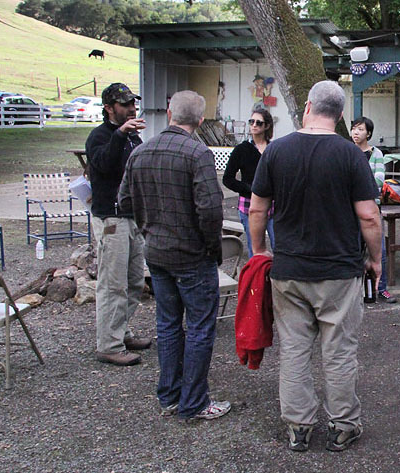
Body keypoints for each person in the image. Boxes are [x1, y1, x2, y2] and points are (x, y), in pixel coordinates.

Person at [249, 80, 382, 452]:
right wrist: (375, 259)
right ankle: (343, 425)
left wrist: (260, 250)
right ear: (339, 116)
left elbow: (258, 208)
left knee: (293, 349)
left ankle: (298, 426)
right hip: (339, 272)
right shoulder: (351, 155)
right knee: (338, 351)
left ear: (307, 107)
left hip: (289, 270)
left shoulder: (276, 152)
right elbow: (369, 216)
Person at [118, 90, 231, 421]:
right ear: (199, 120)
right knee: (198, 327)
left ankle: (169, 395)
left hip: (156, 252)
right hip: (192, 254)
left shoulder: (141, 152)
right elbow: (210, 209)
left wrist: (148, 226)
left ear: (169, 113)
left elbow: (124, 201)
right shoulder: (198, 153)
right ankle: (193, 402)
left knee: (167, 324)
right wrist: (212, 248)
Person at [84, 82, 151, 367]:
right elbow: (104, 166)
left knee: (135, 281)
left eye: (133, 104)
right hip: (110, 219)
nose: (132, 109)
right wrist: (120, 135)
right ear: (109, 108)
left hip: (132, 217)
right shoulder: (99, 137)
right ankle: (108, 344)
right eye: (125, 105)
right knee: (113, 285)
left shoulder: (134, 138)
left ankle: (121, 332)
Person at [351, 116, 396, 303]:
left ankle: (382, 288)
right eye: (354, 128)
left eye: (360, 129)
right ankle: (354, 291)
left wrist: (357, 184)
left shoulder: (377, 153)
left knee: (378, 249)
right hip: (350, 208)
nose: (356, 132)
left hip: (372, 206)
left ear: (368, 133)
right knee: (353, 248)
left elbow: (378, 181)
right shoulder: (347, 151)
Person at [222, 107, 275, 257]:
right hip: (248, 205)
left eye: (259, 122)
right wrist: (249, 189)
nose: (254, 125)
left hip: (274, 204)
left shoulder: (274, 149)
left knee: (279, 245)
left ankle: (277, 279)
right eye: (252, 121)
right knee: (255, 249)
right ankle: (257, 279)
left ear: (267, 126)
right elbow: (228, 179)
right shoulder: (241, 150)